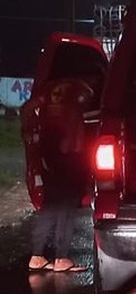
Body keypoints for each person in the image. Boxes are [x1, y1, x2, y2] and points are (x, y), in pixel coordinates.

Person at [26, 79, 91, 273]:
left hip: (50, 166)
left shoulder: (46, 109)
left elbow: (26, 113)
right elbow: (73, 144)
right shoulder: (72, 111)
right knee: (65, 212)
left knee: (49, 209)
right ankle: (61, 258)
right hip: (67, 166)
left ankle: (37, 256)